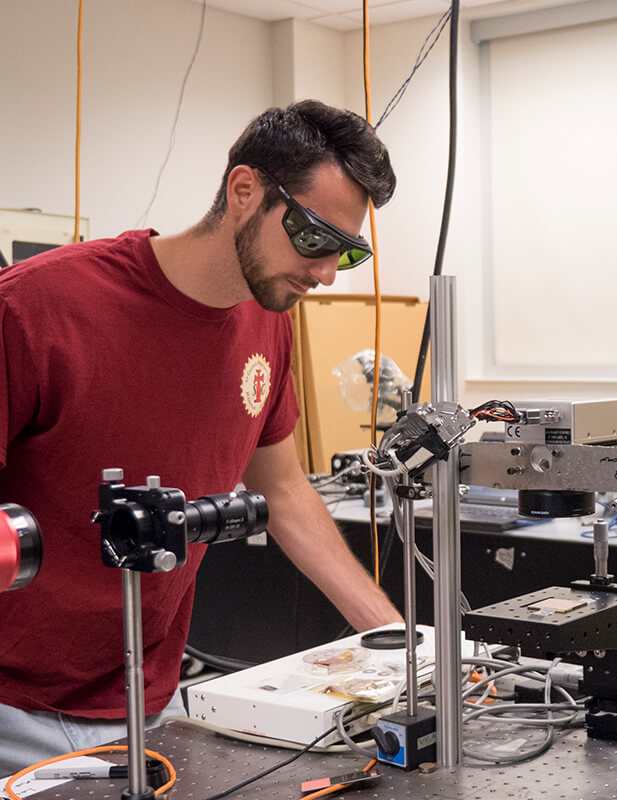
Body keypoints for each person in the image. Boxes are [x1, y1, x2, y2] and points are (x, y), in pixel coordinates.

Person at [0, 100, 404, 772]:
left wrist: (397, 639)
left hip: (154, 700)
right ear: (244, 190)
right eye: (314, 240)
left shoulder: (267, 320)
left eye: (347, 253)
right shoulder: (37, 308)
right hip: (13, 709)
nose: (326, 274)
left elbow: (281, 488)